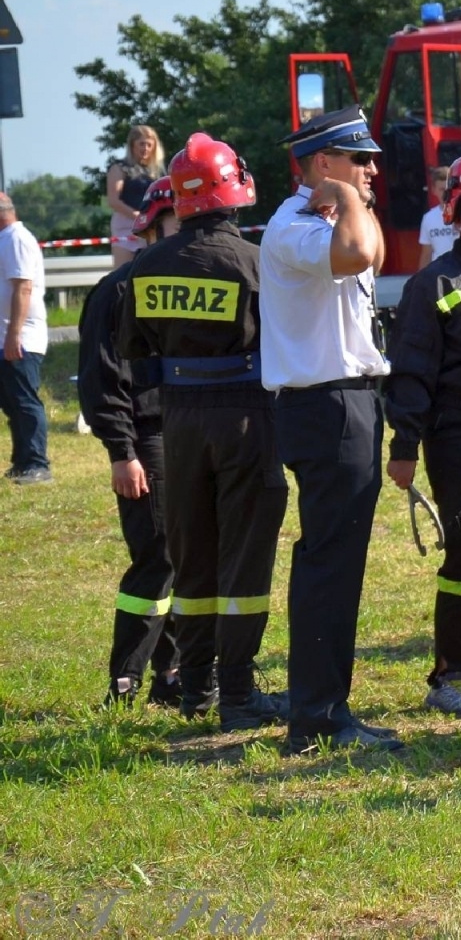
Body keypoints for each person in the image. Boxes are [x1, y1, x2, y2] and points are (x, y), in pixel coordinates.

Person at [119, 133, 288, 730]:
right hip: (246, 416)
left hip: (179, 423)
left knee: (192, 557)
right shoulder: (253, 261)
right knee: (244, 558)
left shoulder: (146, 265)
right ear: (235, 189)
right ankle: (238, 694)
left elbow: (133, 353)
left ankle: (196, 687)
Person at [261, 105, 397, 755]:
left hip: (349, 401)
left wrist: (346, 197)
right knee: (329, 566)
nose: (372, 168)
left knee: (338, 564)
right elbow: (360, 250)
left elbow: (371, 248)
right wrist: (343, 197)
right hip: (326, 405)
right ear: (321, 164)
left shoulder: (323, 218)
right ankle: (317, 716)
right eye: (357, 159)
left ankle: (327, 706)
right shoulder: (296, 225)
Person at [384, 152, 461, 720]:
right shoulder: (434, 283)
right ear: (459, 213)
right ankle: (449, 675)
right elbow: (411, 372)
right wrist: (404, 447)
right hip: (458, 437)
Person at [80, 177, 181, 707]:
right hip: (146, 438)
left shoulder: (196, 280)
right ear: (152, 226)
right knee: (156, 556)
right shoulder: (119, 290)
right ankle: (126, 680)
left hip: (191, 433)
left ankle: (172, 676)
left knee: (184, 559)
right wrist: (122, 451)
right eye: (177, 222)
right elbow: (102, 380)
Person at [0, 191, 50, 485]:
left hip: (21, 337)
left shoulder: (17, 239)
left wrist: (13, 334)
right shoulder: (6, 239)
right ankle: (22, 462)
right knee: (12, 403)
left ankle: (37, 464)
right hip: (9, 336)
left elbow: (23, 288)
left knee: (24, 402)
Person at [105, 125, 167, 267]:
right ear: (132, 145)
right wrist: (139, 217)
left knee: (150, 270)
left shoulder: (157, 173)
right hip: (125, 227)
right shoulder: (119, 168)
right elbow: (113, 201)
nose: (145, 148)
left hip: (150, 228)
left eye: (149, 145)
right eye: (141, 144)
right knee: (122, 275)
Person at [416, 166, 455, 265]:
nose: (445, 193)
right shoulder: (429, 218)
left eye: (448, 189)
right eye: (442, 189)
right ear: (434, 190)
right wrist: (421, 278)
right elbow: (426, 253)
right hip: (439, 272)